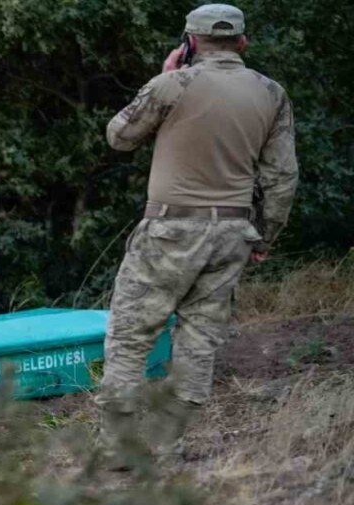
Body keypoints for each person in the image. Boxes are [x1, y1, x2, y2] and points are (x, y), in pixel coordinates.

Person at [98, 3, 298, 463]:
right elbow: (282, 177)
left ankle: (119, 447)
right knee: (199, 339)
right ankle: (169, 444)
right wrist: (265, 236)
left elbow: (119, 137)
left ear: (189, 42)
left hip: (169, 228)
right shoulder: (271, 93)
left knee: (130, 335)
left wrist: (162, 77)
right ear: (242, 42)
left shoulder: (173, 84)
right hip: (232, 231)